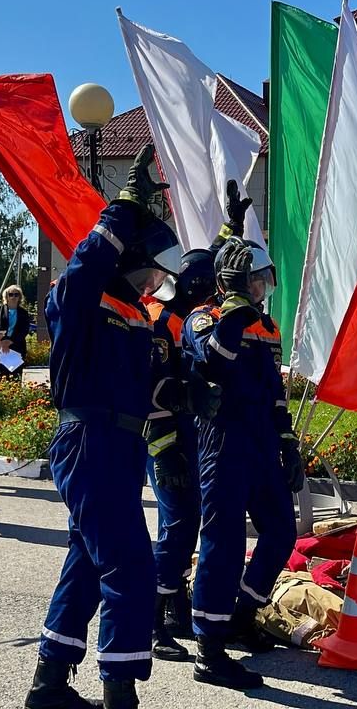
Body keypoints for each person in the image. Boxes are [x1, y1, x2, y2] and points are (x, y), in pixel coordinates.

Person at [24, 146, 183, 709]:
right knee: (129, 564)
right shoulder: (80, 297)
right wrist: (120, 209)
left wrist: (224, 248)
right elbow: (88, 262)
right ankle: (119, 692)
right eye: (149, 265)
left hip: (120, 445)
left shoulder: (134, 310)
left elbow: (185, 296)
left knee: (88, 561)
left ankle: (49, 684)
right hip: (88, 439)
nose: (155, 277)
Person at [182, 232, 303, 691]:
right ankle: (208, 649)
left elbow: (274, 392)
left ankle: (241, 614)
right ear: (235, 281)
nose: (261, 291)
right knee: (224, 542)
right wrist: (232, 313)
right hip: (223, 443)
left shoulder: (267, 328)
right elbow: (214, 363)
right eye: (256, 282)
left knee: (281, 532)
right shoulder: (202, 319)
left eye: (265, 283)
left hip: (261, 446)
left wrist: (288, 443)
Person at [143, 247, 217, 662]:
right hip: (164, 435)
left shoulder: (188, 317)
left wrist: (232, 231)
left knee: (185, 521)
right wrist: (166, 450)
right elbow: (154, 391)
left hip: (186, 430)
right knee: (179, 522)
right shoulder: (162, 320)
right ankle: (149, 622)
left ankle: (174, 605)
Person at [0, 285, 32, 381]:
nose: (13, 297)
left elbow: (24, 330)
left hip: (17, 346)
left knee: (15, 376)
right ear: (6, 296)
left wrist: (10, 341)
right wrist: (2, 341)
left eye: (16, 295)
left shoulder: (23, 312)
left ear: (20, 297)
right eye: (11, 294)